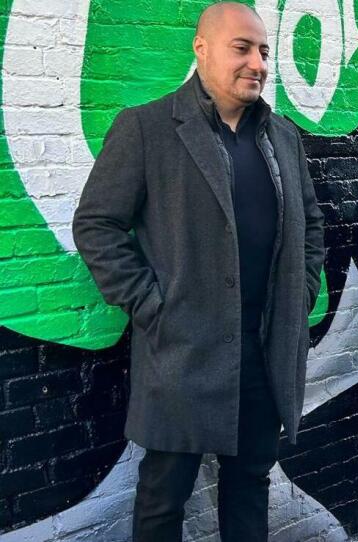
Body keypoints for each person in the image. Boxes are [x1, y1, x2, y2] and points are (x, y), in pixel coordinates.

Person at [71, 3, 324, 540]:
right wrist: (151, 305)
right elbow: (97, 225)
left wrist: (299, 296)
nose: (256, 62)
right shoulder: (146, 128)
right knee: (164, 498)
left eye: (262, 51)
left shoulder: (283, 137)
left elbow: (311, 226)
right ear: (201, 48)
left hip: (263, 351)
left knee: (250, 486)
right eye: (241, 48)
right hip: (183, 351)